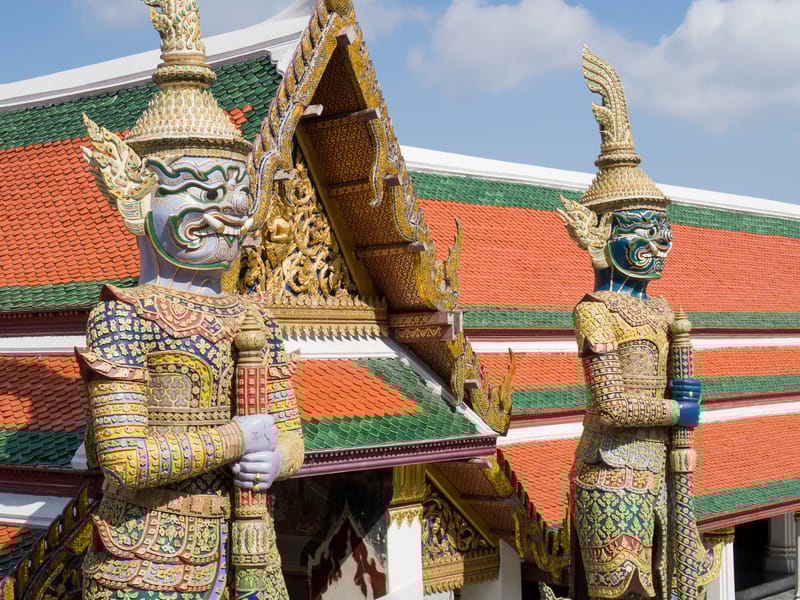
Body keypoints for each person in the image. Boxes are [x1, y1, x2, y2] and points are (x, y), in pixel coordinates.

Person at [78, 2, 303, 599]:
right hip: (146, 549)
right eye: (201, 190)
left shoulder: (255, 316)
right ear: (136, 198)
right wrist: (239, 438)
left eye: (236, 191)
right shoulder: (124, 314)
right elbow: (126, 460)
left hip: (250, 548)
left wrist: (277, 459)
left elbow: (289, 434)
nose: (230, 210)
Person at [557, 47, 712, 600]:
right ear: (602, 235)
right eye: (643, 229)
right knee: (625, 594)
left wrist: (686, 400)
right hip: (611, 473)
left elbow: (676, 390)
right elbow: (613, 407)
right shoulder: (595, 311)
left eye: (663, 229)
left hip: (667, 471)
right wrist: (677, 410)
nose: (660, 242)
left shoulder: (665, 312)